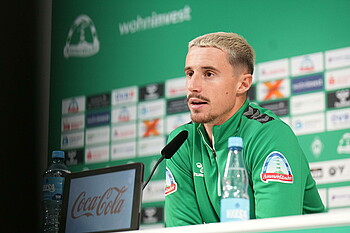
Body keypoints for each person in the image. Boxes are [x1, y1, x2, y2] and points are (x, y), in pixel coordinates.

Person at [164, 32, 325, 227]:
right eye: (190, 74)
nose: (193, 86)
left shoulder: (269, 135)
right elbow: (182, 230)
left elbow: (273, 231)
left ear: (243, 84)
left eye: (208, 74)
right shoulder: (181, 141)